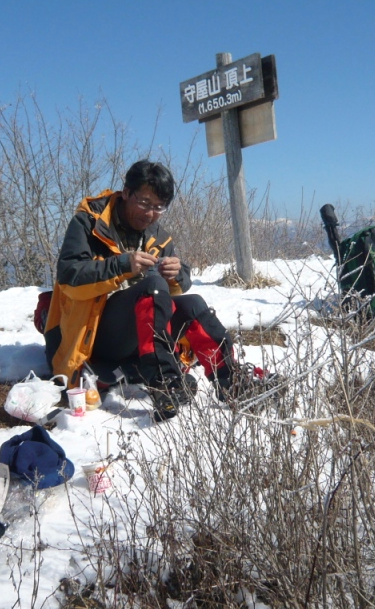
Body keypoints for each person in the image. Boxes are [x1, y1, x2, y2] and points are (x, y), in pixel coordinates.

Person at [42, 160, 275, 421]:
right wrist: (122, 265)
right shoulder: (89, 222)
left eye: (159, 207)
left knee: (194, 303)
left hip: (136, 339)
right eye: (144, 203)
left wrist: (178, 274)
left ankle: (232, 385)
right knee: (152, 288)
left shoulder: (157, 236)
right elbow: (69, 277)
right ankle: (164, 384)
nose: (150, 213)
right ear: (126, 193)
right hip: (89, 339)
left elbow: (179, 285)